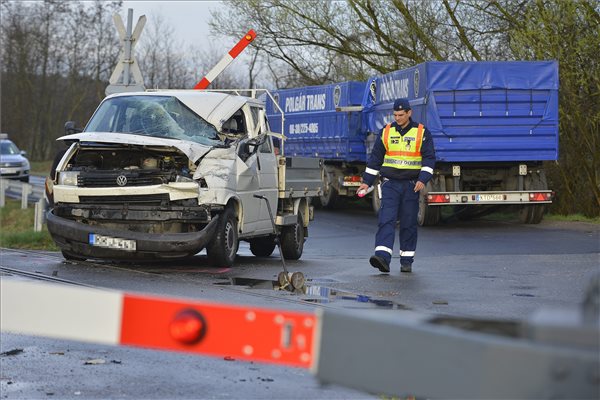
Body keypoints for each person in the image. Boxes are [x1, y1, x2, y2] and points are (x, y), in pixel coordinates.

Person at [357, 98, 435, 274]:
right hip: (390, 184)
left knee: (408, 223)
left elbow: (429, 158)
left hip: (411, 185)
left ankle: (406, 260)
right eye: (395, 115)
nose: (398, 118)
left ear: (409, 113)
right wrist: (365, 182)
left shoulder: (421, 132)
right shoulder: (386, 132)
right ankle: (382, 257)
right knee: (386, 219)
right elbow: (375, 159)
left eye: (401, 115)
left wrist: (423, 178)